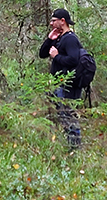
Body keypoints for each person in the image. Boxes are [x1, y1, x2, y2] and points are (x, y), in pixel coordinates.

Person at [38, 8, 83, 149]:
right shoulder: (59, 38)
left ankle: (75, 148)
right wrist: (50, 39)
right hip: (59, 86)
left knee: (69, 116)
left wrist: (57, 56)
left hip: (68, 86)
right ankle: (71, 146)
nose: (51, 23)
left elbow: (74, 60)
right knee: (63, 116)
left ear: (62, 21)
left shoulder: (70, 39)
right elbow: (42, 54)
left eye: (54, 21)